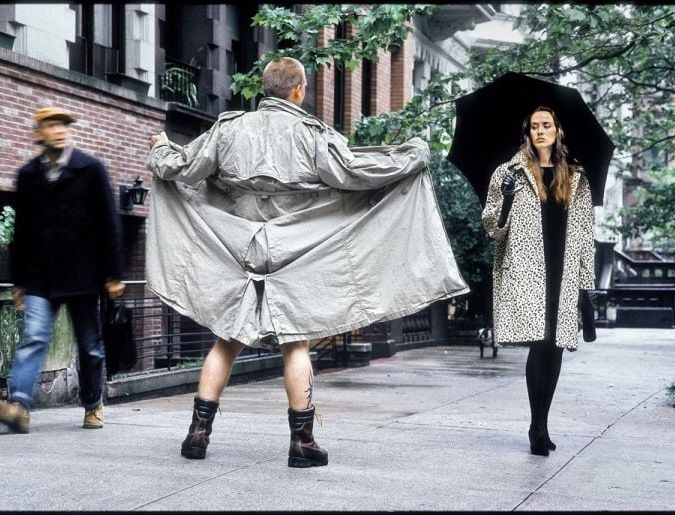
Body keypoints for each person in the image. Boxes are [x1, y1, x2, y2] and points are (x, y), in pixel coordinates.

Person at [146, 57, 469, 467]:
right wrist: (414, 154)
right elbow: (354, 172)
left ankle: (197, 434)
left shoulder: (227, 130)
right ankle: (302, 443)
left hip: (237, 246)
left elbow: (180, 167)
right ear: (298, 90)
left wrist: (159, 148)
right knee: (295, 341)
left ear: (264, 90)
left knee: (226, 340)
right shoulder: (313, 135)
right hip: (297, 250)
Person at [0, 107, 126, 433]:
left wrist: (113, 275)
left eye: (64, 125)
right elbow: (20, 232)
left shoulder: (91, 169)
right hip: (39, 277)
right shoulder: (27, 175)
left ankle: (93, 405)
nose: (61, 130)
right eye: (52, 125)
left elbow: (110, 223)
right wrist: (19, 282)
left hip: (85, 275)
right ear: (38, 133)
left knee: (90, 345)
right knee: (33, 338)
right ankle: (19, 405)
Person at [482, 106, 596, 456]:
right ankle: (537, 427)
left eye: (547, 125)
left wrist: (585, 284)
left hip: (563, 271)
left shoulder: (576, 176)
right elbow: (492, 229)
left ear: (558, 130)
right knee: (538, 346)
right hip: (528, 271)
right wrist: (507, 198)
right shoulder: (509, 172)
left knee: (555, 348)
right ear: (527, 132)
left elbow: (586, 232)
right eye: (534, 126)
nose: (541, 131)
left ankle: (544, 423)